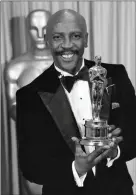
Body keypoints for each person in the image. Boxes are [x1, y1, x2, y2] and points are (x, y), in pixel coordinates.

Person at [16, 9, 136, 195]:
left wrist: (115, 151)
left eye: (75, 36)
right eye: (57, 37)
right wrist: (76, 169)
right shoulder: (29, 95)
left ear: (86, 39)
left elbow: (133, 137)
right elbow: (30, 167)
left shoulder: (115, 76)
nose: (67, 45)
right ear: (48, 40)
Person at [5, 9, 53, 121]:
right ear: (27, 29)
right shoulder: (15, 67)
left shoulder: (69, 65)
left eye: (45, 29)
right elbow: (13, 106)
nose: (40, 35)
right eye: (34, 29)